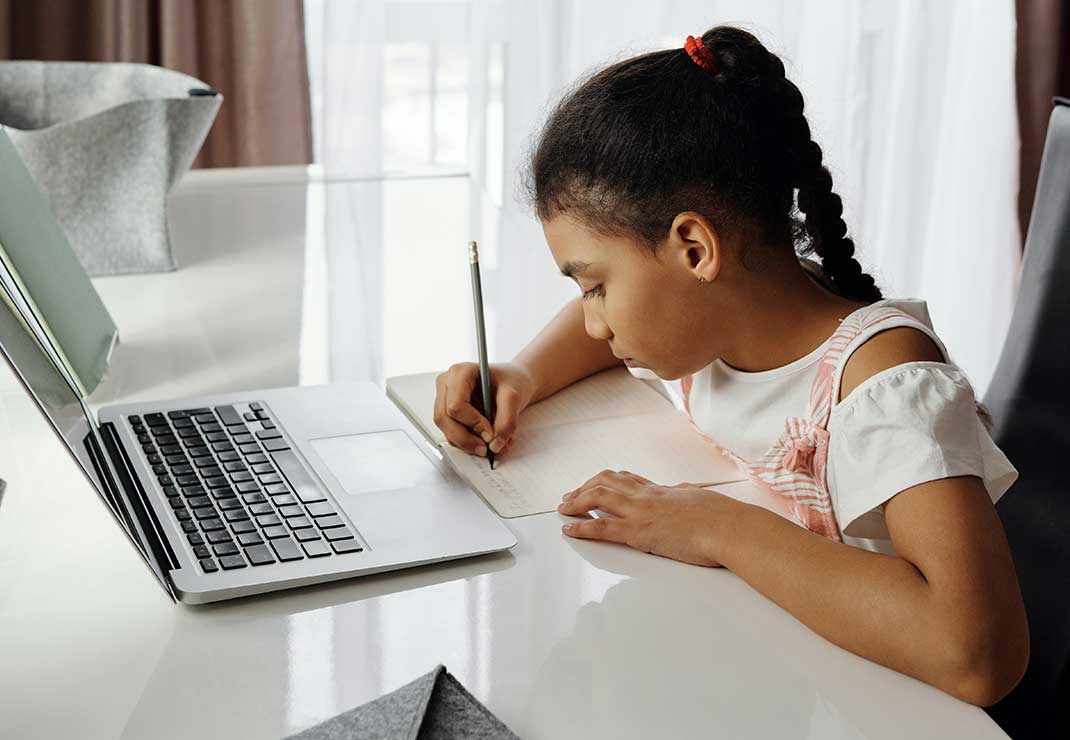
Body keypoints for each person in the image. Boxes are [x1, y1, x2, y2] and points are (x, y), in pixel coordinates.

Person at [432, 25, 1028, 706]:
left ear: (693, 249)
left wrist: (714, 525)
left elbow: (979, 653)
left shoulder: (881, 389)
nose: (594, 320)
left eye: (594, 286)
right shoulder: (715, 316)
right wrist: (525, 373)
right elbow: (604, 334)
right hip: (759, 667)